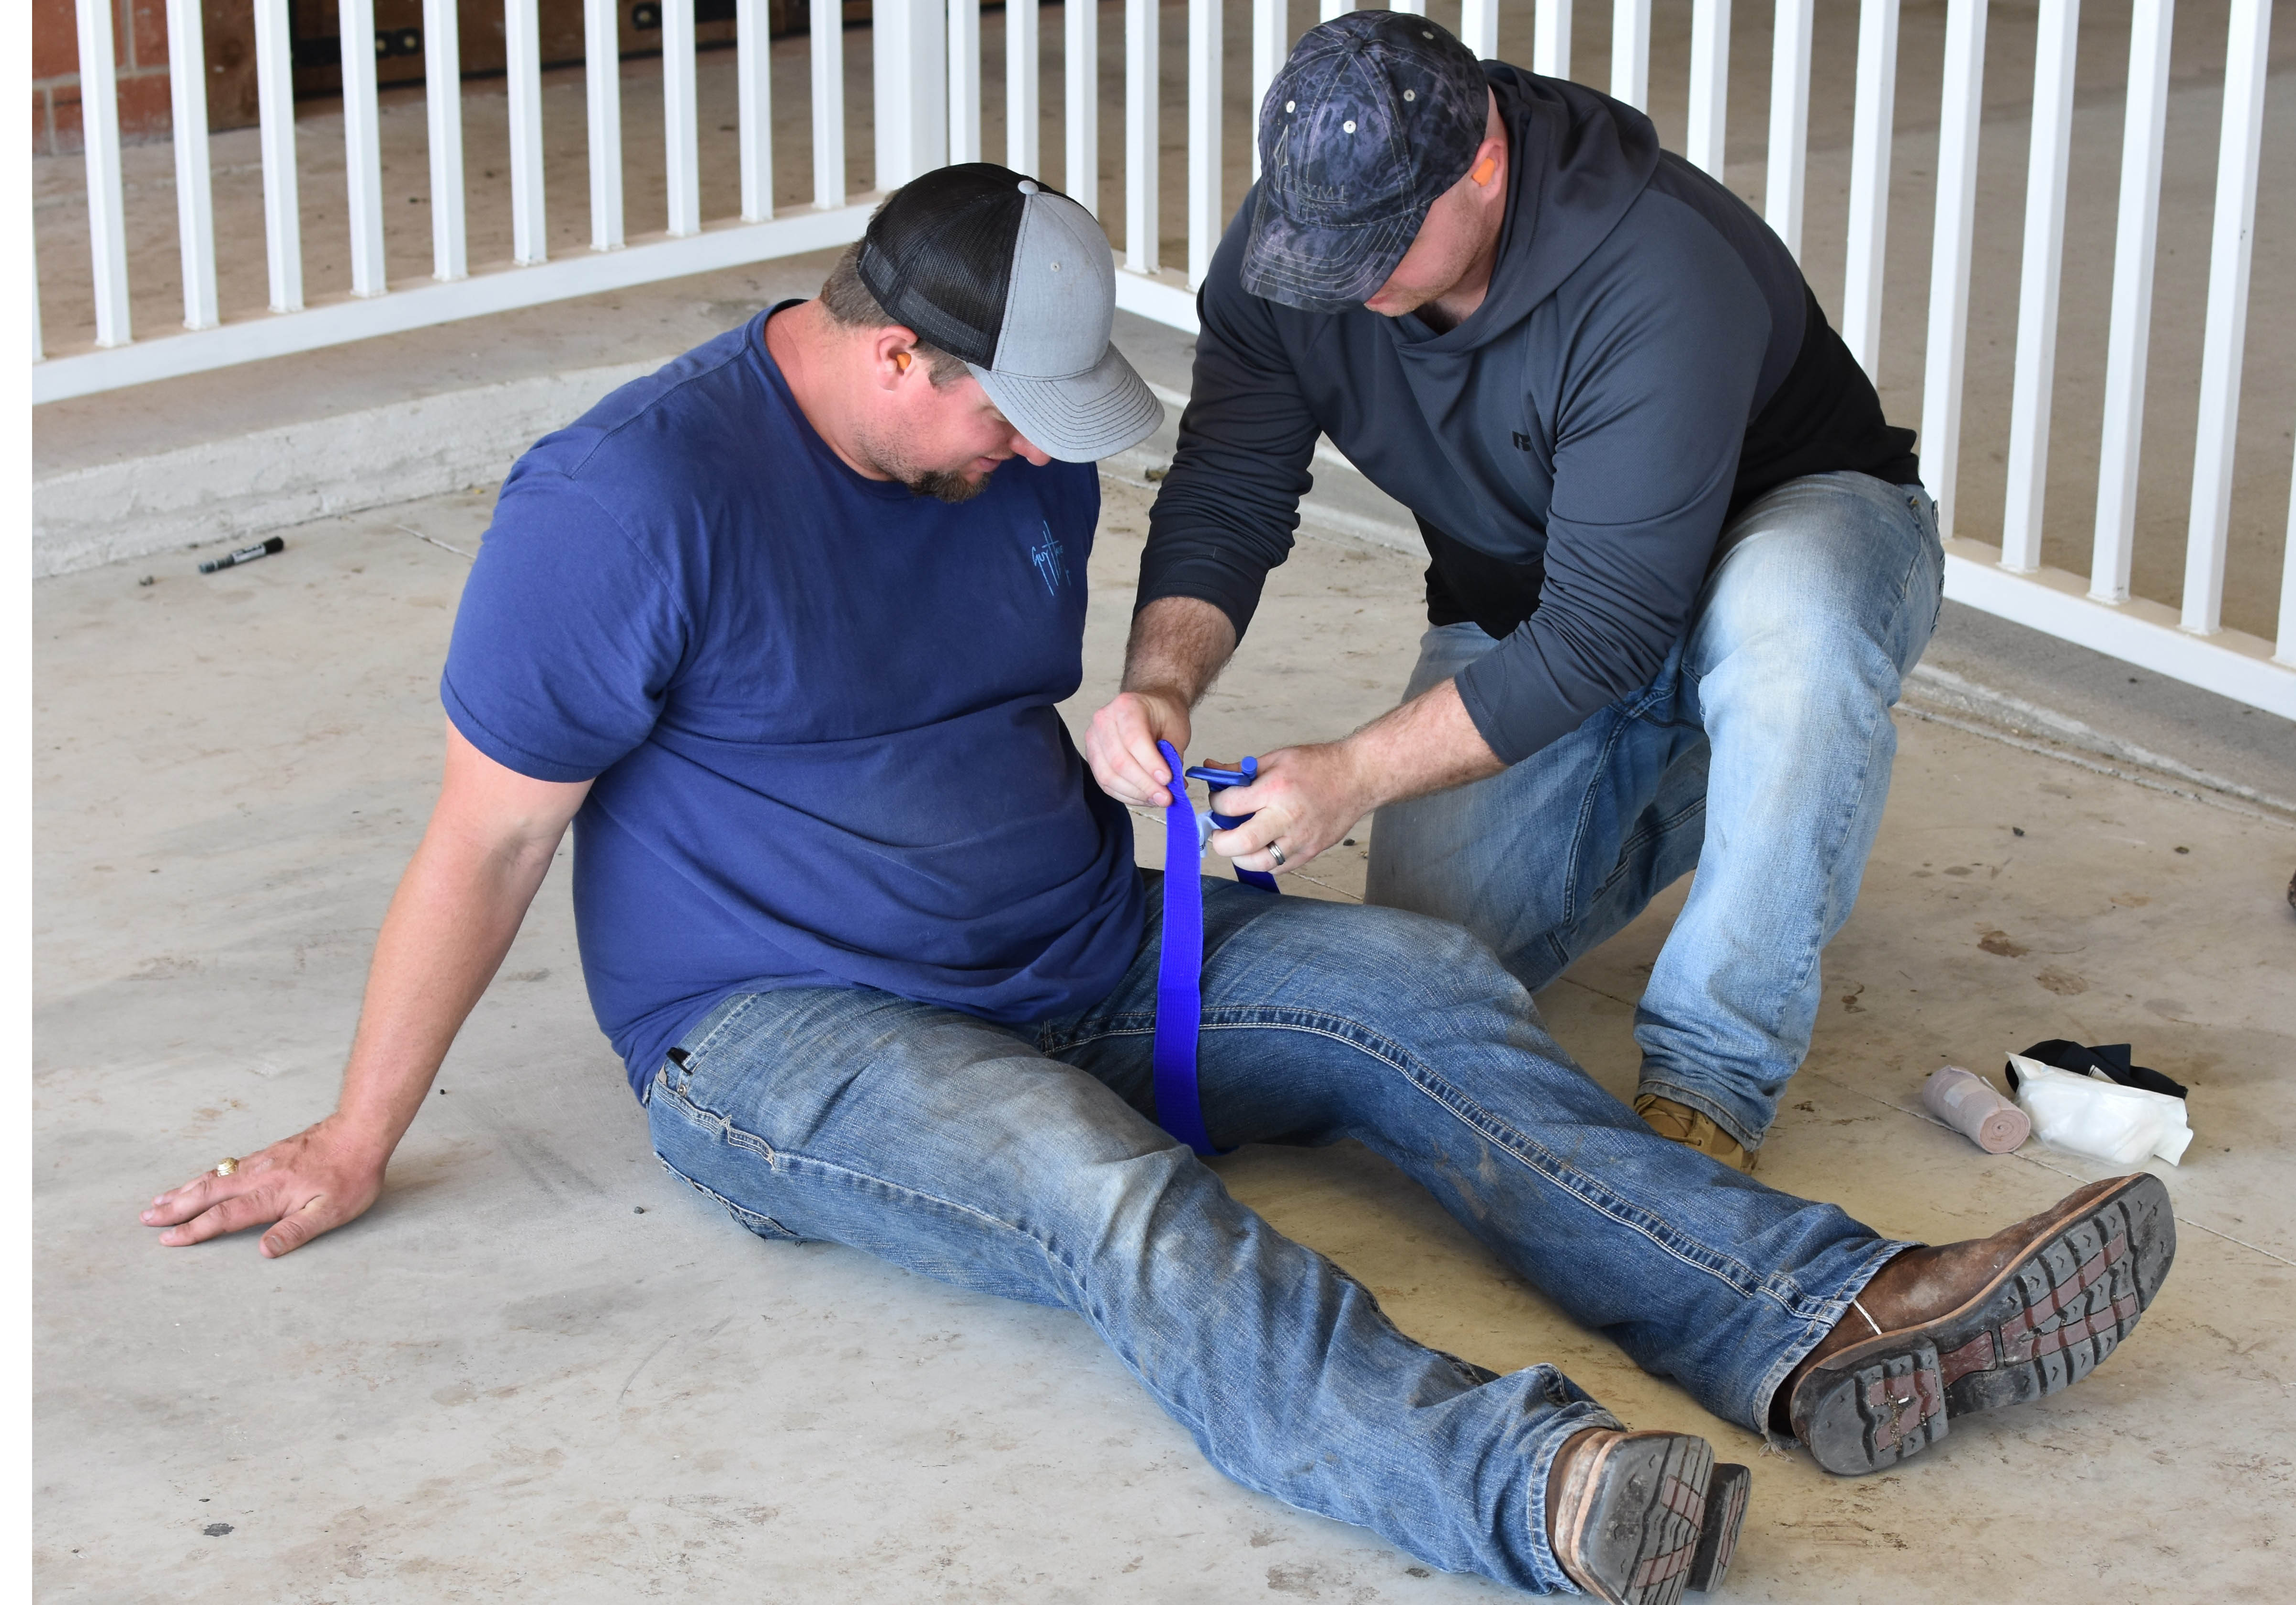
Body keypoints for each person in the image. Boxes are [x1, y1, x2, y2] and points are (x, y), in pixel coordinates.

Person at [142, 166, 2174, 1604]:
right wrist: (354, 1133)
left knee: (1432, 1007)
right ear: (905, 364)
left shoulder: (1005, 460)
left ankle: (1824, 1320)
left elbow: (997, 688)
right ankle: (1529, 1486)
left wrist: (1132, 720)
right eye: (1019, 421)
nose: (1051, 463)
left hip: (1084, 940)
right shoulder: (627, 503)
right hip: (787, 1036)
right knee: (1101, 1189)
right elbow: (487, 835)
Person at [1088, 14, 1940, 1173]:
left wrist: (1355, 770)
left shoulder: (1656, 267)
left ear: (1484, 161)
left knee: (1792, 639)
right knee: (1428, 947)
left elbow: (1606, 631)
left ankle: (1712, 1070)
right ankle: (1740, 766)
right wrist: (1159, 679)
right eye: (1321, 249)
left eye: (1381, 245)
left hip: (1795, 524)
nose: (1346, 282)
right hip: (1538, 597)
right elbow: (1230, 488)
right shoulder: (1300, 247)